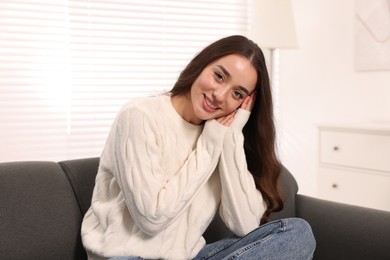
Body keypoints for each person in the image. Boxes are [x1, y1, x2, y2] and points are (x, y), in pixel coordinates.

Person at [81, 35, 316, 260]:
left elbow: (245, 225)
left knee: (298, 235)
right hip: (127, 257)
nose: (220, 95)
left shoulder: (220, 133)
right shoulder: (140, 116)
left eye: (237, 93)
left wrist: (231, 137)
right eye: (219, 76)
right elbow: (151, 219)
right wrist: (210, 144)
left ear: (243, 104)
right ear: (202, 64)